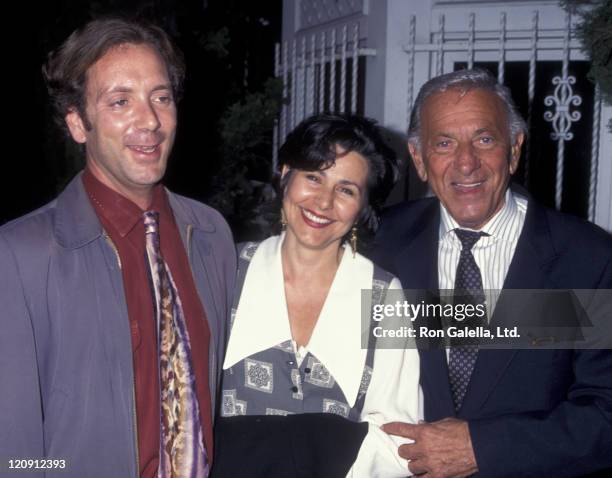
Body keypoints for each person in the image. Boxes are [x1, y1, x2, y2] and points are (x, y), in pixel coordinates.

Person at [0, 18, 235, 478]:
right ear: (77, 123)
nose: (149, 120)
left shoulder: (211, 235)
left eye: (161, 98)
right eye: (120, 101)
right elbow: (14, 449)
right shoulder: (20, 255)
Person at [371, 68, 612, 477]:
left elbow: (607, 411)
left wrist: (483, 447)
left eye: (484, 139)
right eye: (444, 143)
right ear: (420, 159)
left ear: (514, 149)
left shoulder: (587, 258)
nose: (466, 163)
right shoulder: (379, 246)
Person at [212, 114, 421, 477]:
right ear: (285, 173)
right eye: (313, 178)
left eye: (346, 190)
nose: (323, 202)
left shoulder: (382, 297)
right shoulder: (226, 271)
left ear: (362, 209)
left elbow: (397, 441)